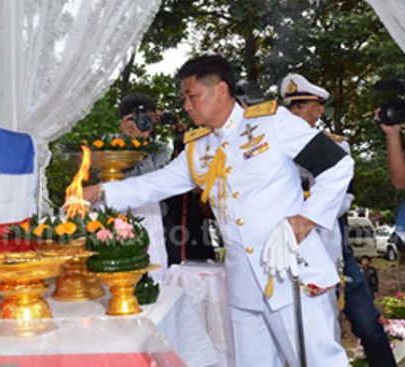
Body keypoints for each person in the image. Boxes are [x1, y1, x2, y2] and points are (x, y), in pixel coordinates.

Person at [83, 55, 353, 366]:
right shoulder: (198, 148)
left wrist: (307, 218)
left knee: (318, 361)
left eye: (192, 96)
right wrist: (101, 192)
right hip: (243, 286)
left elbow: (338, 165)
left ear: (220, 90)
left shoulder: (271, 123)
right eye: (184, 98)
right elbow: (157, 183)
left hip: (291, 272)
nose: (186, 106)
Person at [281, 73, 396, 367]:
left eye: (302, 106)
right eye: (291, 107)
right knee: (304, 330)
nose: (295, 114)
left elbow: (347, 197)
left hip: (333, 246)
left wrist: (311, 208)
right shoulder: (273, 146)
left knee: (368, 325)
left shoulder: (336, 146)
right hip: (288, 246)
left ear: (318, 109)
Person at [118, 93, 215, 275]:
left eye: (146, 120)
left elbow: (155, 182)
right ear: (121, 122)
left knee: (165, 269)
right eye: (134, 119)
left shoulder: (159, 150)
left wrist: (140, 146)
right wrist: (126, 144)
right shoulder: (107, 147)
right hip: (118, 220)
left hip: (158, 221)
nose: (141, 125)